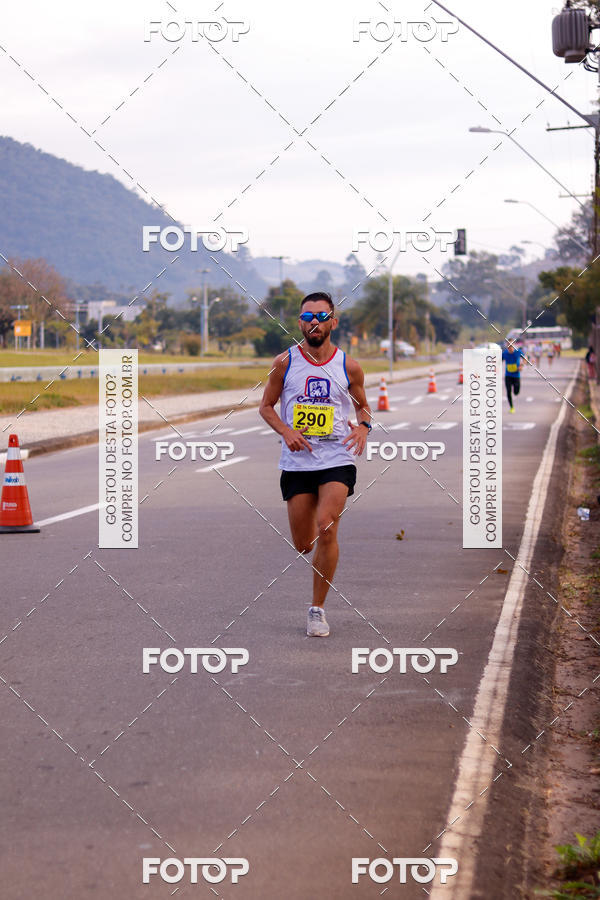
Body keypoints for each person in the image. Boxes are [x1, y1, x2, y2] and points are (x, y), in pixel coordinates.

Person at [259, 291, 372, 637]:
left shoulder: (349, 366)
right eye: (308, 317)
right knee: (304, 544)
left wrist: (363, 428)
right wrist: (286, 431)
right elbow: (266, 406)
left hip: (337, 456)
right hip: (297, 461)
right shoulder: (284, 363)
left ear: (333, 322)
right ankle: (311, 557)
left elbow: (363, 407)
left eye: (321, 317)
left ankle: (317, 610)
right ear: (300, 323)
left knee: (327, 527)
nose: (314, 323)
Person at [502, 339, 524, 413]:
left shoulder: (518, 352)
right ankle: (511, 407)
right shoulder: (504, 353)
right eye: (508, 345)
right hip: (508, 375)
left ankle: (516, 392)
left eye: (511, 345)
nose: (510, 347)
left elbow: (525, 358)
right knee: (508, 391)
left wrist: (521, 365)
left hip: (516, 376)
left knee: (516, 392)